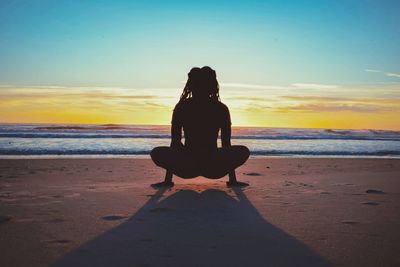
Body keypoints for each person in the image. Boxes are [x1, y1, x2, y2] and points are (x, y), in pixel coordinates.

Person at [150, 66, 250, 187]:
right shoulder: (220, 108)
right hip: (212, 166)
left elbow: (175, 144)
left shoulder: (182, 107)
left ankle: (169, 180)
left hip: (188, 166)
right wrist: (232, 180)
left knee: (157, 153)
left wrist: (168, 180)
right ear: (213, 86)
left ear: (190, 85)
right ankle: (231, 180)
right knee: (243, 151)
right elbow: (226, 145)